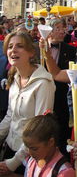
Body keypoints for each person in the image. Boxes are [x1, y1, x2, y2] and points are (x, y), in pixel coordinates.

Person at [0, 31, 55, 174]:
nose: (13, 50)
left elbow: (39, 129)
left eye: (19, 46)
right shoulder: (15, 78)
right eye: (10, 46)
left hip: (28, 158)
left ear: (31, 52)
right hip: (10, 150)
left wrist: (13, 163)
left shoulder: (43, 83)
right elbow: (10, 117)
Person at [46, 18, 77, 155]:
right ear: (49, 31)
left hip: (61, 97)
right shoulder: (38, 48)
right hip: (42, 95)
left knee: (61, 130)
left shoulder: (71, 50)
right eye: (58, 28)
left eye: (63, 28)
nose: (62, 31)